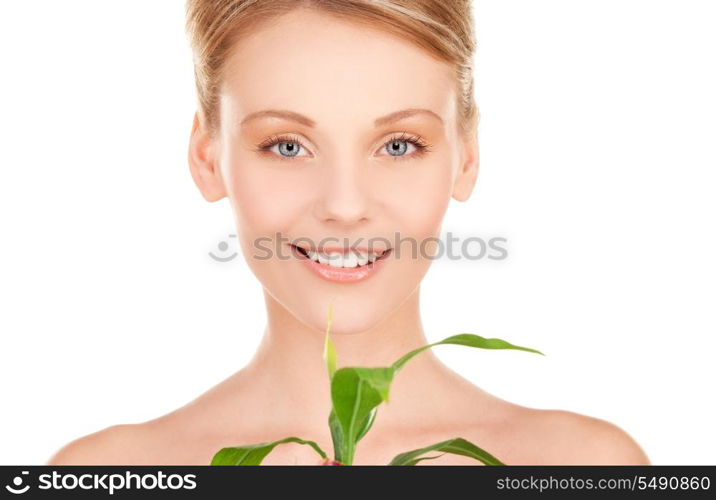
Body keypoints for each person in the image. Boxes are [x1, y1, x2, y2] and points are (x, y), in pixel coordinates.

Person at [48, 0, 649, 465]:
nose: (344, 205)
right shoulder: (105, 471)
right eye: (287, 146)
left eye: (398, 145)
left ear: (466, 156)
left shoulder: (582, 465)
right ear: (208, 156)